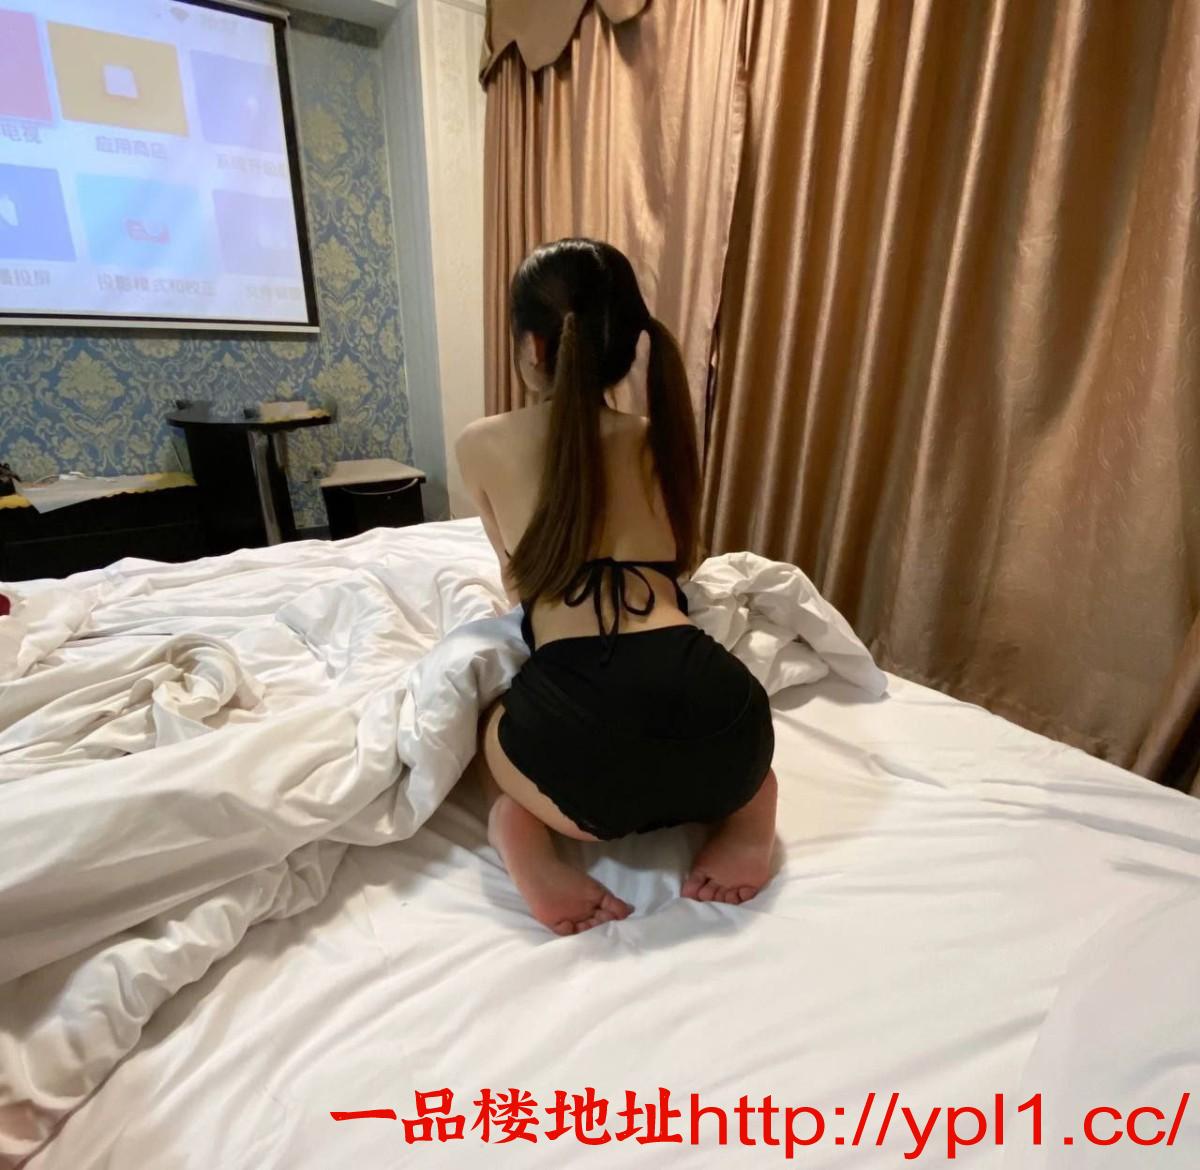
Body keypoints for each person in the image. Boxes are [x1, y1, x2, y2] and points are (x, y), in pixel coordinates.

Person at [458, 238, 777, 936]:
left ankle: (519, 830)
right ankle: (751, 822)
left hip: (579, 747)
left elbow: (519, 584)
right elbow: (682, 562)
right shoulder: (663, 437)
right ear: (630, 344)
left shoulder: (480, 442)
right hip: (726, 724)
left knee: (486, 723)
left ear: (533, 346)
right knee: (743, 754)